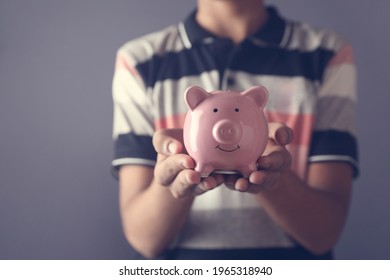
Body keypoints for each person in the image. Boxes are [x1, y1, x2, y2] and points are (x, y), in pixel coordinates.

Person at [111, 0, 358, 259]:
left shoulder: (326, 53)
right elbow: (143, 239)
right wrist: (177, 175)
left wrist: (268, 169)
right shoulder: (140, 60)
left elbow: (324, 233)